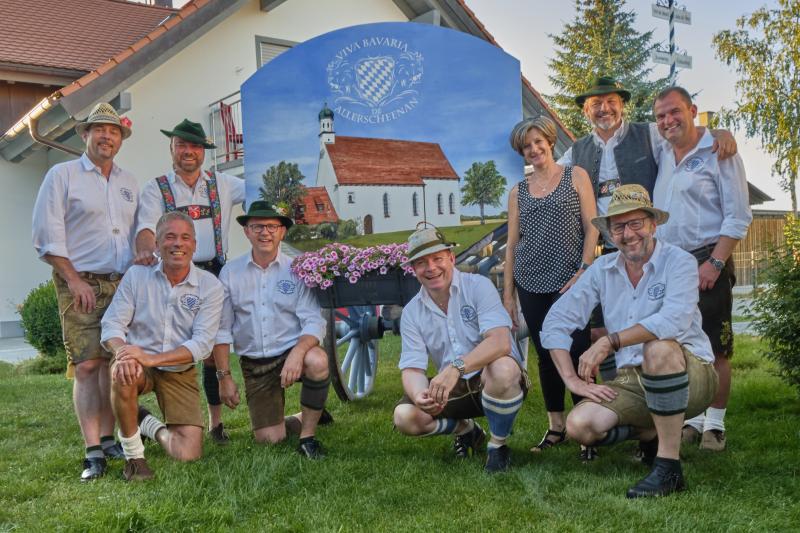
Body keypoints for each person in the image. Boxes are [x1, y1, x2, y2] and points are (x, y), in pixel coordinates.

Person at [540, 184, 718, 498]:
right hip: (634, 379)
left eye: (636, 223)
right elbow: (555, 321)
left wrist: (610, 341)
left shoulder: (680, 262)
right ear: (609, 234)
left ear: (653, 224)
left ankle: (668, 467)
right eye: (619, 226)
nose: (628, 233)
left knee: (659, 348)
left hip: (692, 373)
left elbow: (672, 321)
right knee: (579, 426)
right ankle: (652, 431)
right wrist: (571, 379)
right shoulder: (601, 269)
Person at [560, 76, 738, 347]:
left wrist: (717, 133)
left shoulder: (649, 133)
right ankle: (626, 388)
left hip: (650, 251)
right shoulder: (577, 150)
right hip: (609, 254)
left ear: (623, 106)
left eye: (611, 101)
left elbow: (684, 132)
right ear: (586, 110)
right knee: (616, 330)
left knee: (692, 339)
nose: (604, 108)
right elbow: (551, 175)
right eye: (596, 103)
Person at [31, 103, 137, 481]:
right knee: (88, 364)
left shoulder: (128, 183)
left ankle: (109, 438)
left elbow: (136, 233)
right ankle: (93, 450)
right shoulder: (62, 176)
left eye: (114, 131)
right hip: (80, 281)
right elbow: (46, 235)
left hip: (121, 282)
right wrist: (74, 280)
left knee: (112, 363)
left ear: (120, 139)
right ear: (86, 135)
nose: (107, 137)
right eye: (99, 130)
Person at [651, 87, 752, 452]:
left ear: (693, 110)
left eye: (675, 112)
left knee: (715, 346)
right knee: (680, 344)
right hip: (670, 263)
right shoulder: (662, 150)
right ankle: (692, 419)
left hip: (707, 257)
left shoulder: (718, 151)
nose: (668, 121)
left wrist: (714, 262)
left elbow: (738, 216)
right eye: (660, 116)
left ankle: (715, 425)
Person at [134, 119, 245, 445]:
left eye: (195, 146)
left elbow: (261, 183)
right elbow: (145, 228)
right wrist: (144, 252)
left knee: (212, 350)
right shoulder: (156, 188)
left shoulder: (224, 184)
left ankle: (215, 423)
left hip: (212, 274)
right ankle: (157, 411)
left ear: (204, 152)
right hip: (173, 275)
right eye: (182, 145)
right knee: (170, 345)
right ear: (171, 149)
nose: (188, 152)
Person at [393, 225, 528, 473]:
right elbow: (412, 368)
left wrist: (456, 368)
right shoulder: (412, 311)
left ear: (451, 258)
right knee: (404, 417)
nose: (431, 268)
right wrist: (419, 396)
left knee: (503, 369)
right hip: (451, 387)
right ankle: (467, 430)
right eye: (422, 263)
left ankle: (498, 445)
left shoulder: (478, 286)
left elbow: (500, 341)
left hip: (490, 378)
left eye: (437, 258)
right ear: (413, 270)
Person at [101, 212, 224, 481]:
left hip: (178, 369)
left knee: (188, 452)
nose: (177, 244)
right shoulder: (136, 276)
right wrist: (124, 354)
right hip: (136, 363)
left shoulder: (210, 286)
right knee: (123, 371)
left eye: (184, 237)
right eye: (169, 237)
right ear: (156, 244)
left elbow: (202, 345)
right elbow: (112, 325)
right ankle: (135, 459)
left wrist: (150, 359)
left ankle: (146, 422)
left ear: (194, 245)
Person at [504, 116, 599, 458]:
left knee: (577, 351)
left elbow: (592, 228)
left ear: (550, 140)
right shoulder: (518, 192)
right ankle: (557, 427)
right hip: (531, 282)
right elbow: (513, 246)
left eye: (538, 141)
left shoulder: (575, 176)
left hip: (571, 281)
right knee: (545, 355)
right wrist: (508, 293)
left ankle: (589, 429)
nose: (534, 149)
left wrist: (584, 270)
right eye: (526, 146)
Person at [212, 201, 330, 458]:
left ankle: (307, 437)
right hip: (256, 363)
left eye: (272, 226)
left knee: (318, 360)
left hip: (291, 353)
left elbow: (314, 322)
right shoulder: (230, 273)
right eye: (257, 227)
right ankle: (309, 413)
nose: (265, 232)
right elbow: (221, 330)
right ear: (247, 232)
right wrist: (224, 377)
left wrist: (297, 354)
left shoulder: (297, 269)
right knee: (269, 439)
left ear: (282, 232)